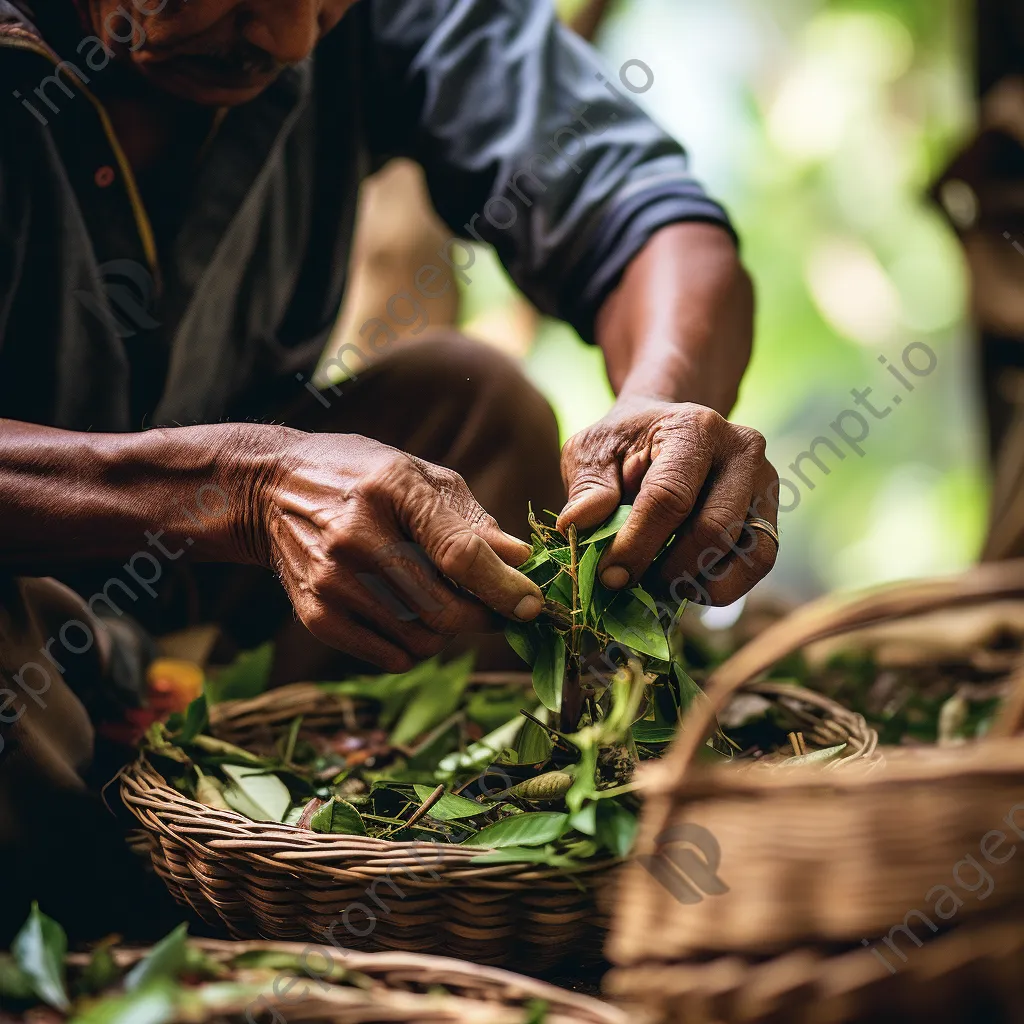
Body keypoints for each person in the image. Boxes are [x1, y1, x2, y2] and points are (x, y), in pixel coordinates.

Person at [0, 0, 779, 939]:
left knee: (476, 408)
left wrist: (664, 396)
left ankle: (350, 854)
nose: (290, 43)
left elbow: (649, 216)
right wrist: (233, 486)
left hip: (191, 610)